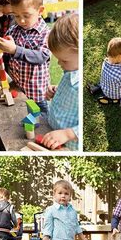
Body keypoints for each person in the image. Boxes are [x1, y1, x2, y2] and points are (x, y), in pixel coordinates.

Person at [0, 0, 50, 112]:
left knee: (42, 122)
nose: (21, 21)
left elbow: (41, 57)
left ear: (40, 11)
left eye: (26, 15)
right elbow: (5, 49)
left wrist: (15, 50)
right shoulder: (14, 29)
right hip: (18, 88)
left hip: (37, 94)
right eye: (16, 16)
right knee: (24, 121)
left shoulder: (45, 33)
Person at [41, 13, 79, 150]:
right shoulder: (70, 71)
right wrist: (57, 91)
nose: (59, 63)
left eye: (64, 60)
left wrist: (68, 134)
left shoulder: (81, 83)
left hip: (68, 144)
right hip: (53, 133)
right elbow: (71, 95)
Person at [87, 37, 121, 105]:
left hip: (104, 86)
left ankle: (96, 88)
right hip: (114, 95)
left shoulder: (105, 61)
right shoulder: (120, 74)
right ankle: (113, 100)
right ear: (120, 56)